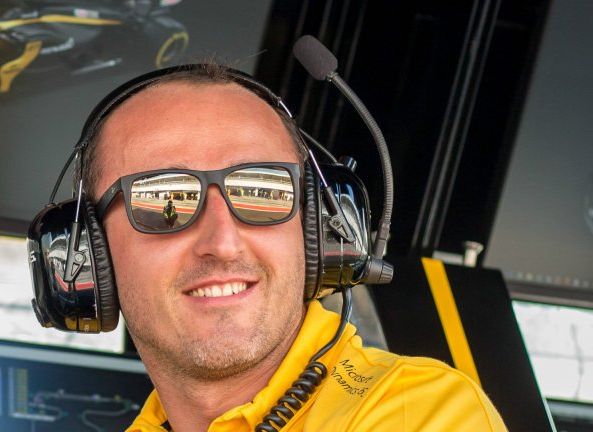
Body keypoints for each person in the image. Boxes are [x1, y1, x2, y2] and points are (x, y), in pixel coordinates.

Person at [79, 64, 507, 431]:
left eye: (263, 191)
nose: (223, 244)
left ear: (317, 228)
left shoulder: (420, 411)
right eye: (162, 201)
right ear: (89, 255)